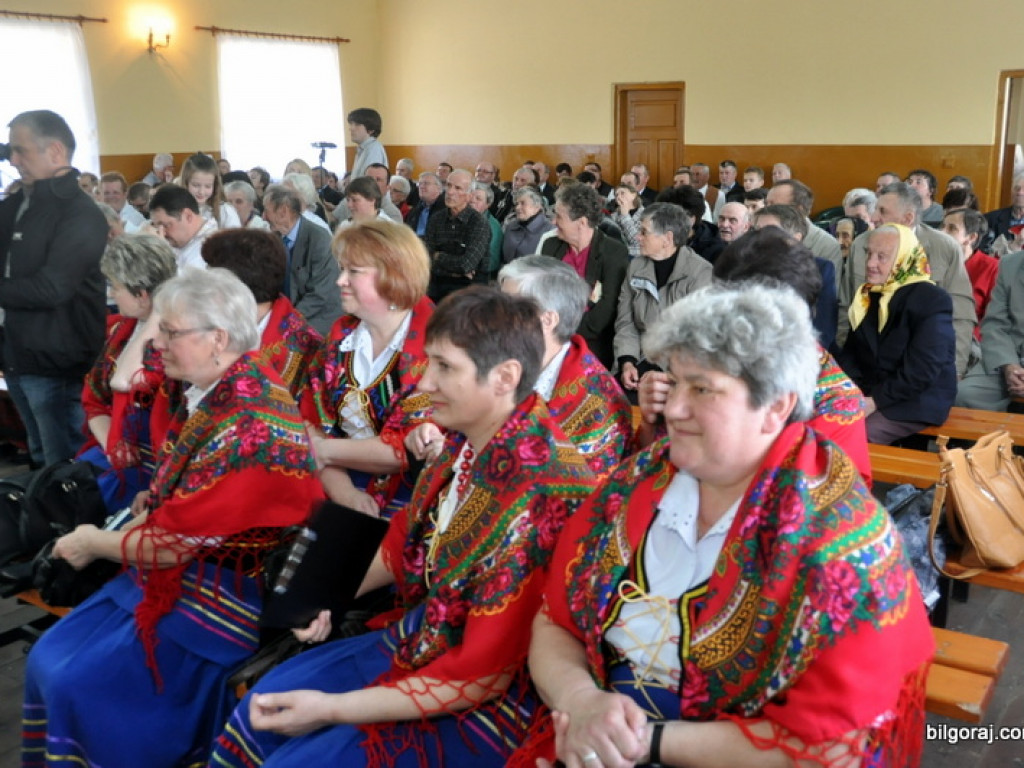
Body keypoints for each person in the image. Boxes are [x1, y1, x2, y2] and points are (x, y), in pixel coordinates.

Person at [515, 283, 934, 768]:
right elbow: (554, 620)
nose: (673, 408)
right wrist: (581, 701)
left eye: (702, 389)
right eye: (674, 382)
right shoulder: (634, 482)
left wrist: (642, 743)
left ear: (776, 406)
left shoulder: (840, 540)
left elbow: (829, 744)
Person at [209, 287, 599, 768]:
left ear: (505, 377)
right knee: (258, 709)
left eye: (444, 368)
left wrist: (332, 709)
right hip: (420, 636)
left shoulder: (547, 492)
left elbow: (481, 674)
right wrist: (325, 599)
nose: (422, 383)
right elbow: (402, 548)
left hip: (484, 697)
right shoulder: (465, 440)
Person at [22, 268, 323, 767]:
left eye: (170, 331)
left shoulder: (247, 419)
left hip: (229, 595)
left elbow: (172, 544)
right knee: (51, 661)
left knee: (71, 680)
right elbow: (182, 503)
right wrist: (156, 502)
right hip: (187, 569)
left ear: (217, 339)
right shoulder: (224, 384)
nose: (156, 341)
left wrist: (92, 542)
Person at [304, 220, 434, 519]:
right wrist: (344, 492)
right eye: (342, 270)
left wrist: (323, 451)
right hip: (334, 477)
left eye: (354, 271)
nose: (340, 281)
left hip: (408, 493)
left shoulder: (434, 344)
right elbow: (310, 423)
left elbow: (405, 449)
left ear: (393, 277)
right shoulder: (340, 335)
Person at [0, 109, 108, 467]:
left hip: (56, 362)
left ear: (56, 152)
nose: (13, 160)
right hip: (17, 354)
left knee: (65, 468)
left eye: (21, 151)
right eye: (9, 151)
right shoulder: (19, 204)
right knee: (40, 458)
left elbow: (52, 288)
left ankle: (74, 525)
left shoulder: (80, 213)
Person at [498, 255, 633, 476]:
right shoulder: (499, 359)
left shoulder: (599, 404)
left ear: (547, 321)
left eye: (510, 308)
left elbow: (581, 494)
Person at [80, 234, 177, 512]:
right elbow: (94, 398)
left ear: (142, 295)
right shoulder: (121, 330)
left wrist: (154, 317)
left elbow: (121, 380)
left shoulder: (173, 341)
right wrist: (112, 449)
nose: (111, 293)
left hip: (154, 468)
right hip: (113, 451)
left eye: (116, 286)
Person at [837, 224, 956, 444]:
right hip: (871, 393)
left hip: (916, 399)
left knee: (851, 437)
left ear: (905, 258)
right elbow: (851, 354)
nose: (871, 263)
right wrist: (851, 392)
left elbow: (922, 370)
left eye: (881, 257)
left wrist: (875, 401)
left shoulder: (931, 298)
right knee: (821, 423)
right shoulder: (868, 295)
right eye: (869, 254)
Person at [200, 228, 322, 407]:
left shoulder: (305, 348)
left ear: (238, 286)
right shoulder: (204, 325)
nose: (203, 286)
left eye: (211, 276)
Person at [614, 203, 712, 394]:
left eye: (644, 232)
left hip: (679, 370)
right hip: (639, 358)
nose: (637, 237)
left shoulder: (700, 273)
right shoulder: (636, 267)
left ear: (667, 238)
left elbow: (697, 338)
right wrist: (627, 361)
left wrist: (664, 373)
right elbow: (626, 322)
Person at [541, 183, 629, 370]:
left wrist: (566, 335)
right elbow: (541, 293)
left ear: (581, 222)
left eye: (559, 216)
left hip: (592, 339)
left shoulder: (613, 252)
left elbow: (608, 306)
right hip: (550, 334)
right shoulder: (550, 246)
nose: (553, 222)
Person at [261, 183, 343, 336]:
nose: (263, 216)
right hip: (288, 314)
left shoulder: (319, 238)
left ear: (283, 211)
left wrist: (286, 322)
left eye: (266, 210)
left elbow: (320, 294)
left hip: (319, 317)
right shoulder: (275, 237)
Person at [424, 168, 490, 302]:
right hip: (436, 286)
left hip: (468, 292)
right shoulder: (437, 218)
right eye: (448, 185)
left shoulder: (478, 223)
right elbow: (426, 258)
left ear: (469, 195)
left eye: (458, 188)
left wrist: (438, 256)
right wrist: (454, 271)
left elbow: (466, 264)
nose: (450, 192)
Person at [148, 185, 218, 271]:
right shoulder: (182, 240)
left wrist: (160, 252)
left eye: (165, 226)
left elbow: (179, 282)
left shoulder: (209, 250)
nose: (162, 233)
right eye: (157, 228)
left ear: (188, 216)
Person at [182, 153, 241, 229]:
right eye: (196, 185)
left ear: (215, 185)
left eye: (208, 186)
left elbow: (237, 239)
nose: (201, 192)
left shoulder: (225, 211)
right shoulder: (176, 209)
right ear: (186, 183)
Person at [502, 186, 554, 264]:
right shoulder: (511, 226)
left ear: (537, 206)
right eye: (516, 204)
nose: (517, 208)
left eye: (523, 203)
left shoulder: (549, 230)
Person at [348, 108, 387, 179]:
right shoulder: (363, 148)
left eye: (357, 124)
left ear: (371, 129)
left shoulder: (374, 149)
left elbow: (370, 183)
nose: (351, 128)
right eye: (351, 124)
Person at [609, 181, 644, 258]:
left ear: (634, 194)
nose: (618, 196)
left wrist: (625, 215)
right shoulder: (613, 216)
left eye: (622, 193)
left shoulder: (645, 215)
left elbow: (638, 242)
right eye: (616, 195)